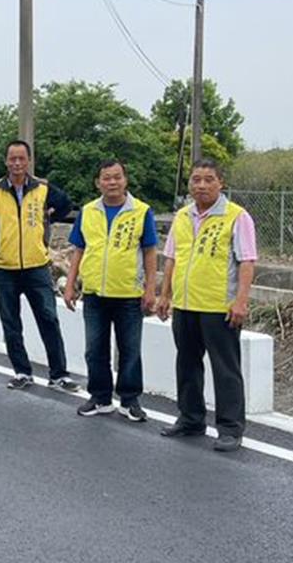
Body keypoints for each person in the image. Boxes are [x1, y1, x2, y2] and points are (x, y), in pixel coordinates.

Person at [156, 159, 257, 452]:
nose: (201, 185)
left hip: (218, 306)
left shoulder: (237, 217)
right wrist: (165, 295)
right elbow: (171, 258)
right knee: (187, 363)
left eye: (208, 179)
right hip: (186, 305)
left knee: (225, 368)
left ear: (220, 183)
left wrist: (241, 301)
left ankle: (230, 428)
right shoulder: (183, 216)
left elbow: (247, 261)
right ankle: (190, 418)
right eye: (196, 179)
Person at [0, 140, 80, 393]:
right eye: (12, 158)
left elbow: (67, 204)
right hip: (4, 267)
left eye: (21, 158)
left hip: (37, 266)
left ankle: (59, 375)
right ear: (6, 161)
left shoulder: (43, 189)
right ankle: (22, 372)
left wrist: (47, 218)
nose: (16, 163)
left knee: (48, 319)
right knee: (11, 323)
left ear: (29, 161)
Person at [63, 160, 158, 422]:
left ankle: (129, 400)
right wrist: (70, 284)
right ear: (98, 182)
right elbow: (78, 249)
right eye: (106, 178)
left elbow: (150, 252)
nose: (112, 182)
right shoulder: (88, 211)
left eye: (117, 177)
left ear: (125, 180)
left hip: (128, 293)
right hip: (94, 293)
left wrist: (151, 290)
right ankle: (100, 397)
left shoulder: (141, 211)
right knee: (95, 349)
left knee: (129, 350)